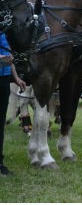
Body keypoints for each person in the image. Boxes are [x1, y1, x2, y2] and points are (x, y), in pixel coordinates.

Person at [0, 32, 28, 176]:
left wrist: (16, 78)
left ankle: (0, 164)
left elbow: (9, 58)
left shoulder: (2, 34)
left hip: (3, 80)